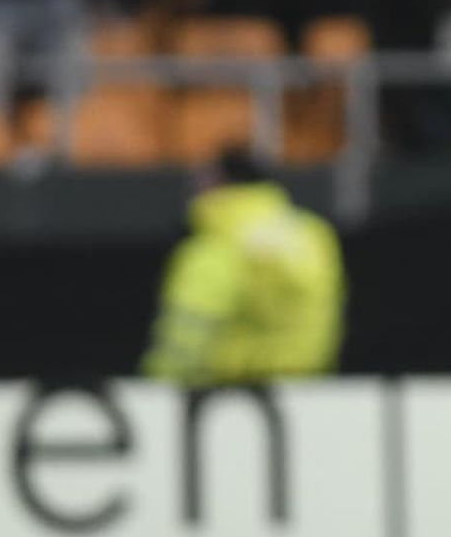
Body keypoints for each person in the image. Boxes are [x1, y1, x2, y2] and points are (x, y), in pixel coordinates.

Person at [141, 148, 345, 384]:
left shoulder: (218, 240)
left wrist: (159, 383)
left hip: (229, 388)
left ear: (219, 182)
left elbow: (186, 333)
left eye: (200, 181)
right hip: (312, 384)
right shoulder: (314, 234)